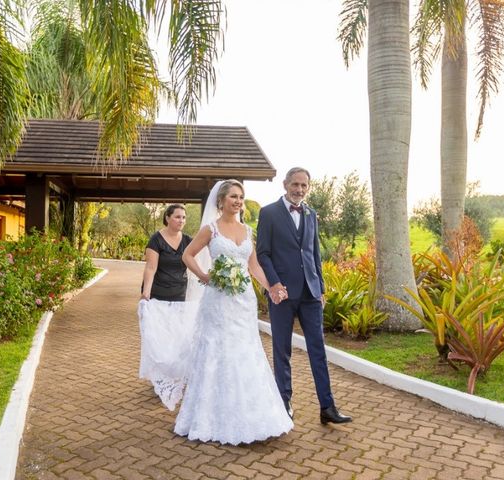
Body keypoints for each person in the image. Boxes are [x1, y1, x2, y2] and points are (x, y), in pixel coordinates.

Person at [175, 179, 293, 445]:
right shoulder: (211, 229)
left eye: (241, 197)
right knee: (217, 351)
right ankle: (211, 416)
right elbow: (188, 255)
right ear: (221, 201)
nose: (238, 201)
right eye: (233, 197)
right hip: (217, 302)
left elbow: (254, 267)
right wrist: (205, 276)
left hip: (243, 302)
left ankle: (252, 413)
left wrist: (271, 287)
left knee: (245, 350)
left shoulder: (247, 231)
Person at [256, 167, 352, 425]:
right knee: (282, 350)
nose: (299, 190)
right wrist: (274, 284)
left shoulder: (311, 213)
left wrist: (320, 287)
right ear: (285, 184)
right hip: (282, 294)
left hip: (310, 293)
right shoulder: (269, 213)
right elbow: (262, 253)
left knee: (318, 349)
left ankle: (327, 407)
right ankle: (283, 401)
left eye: (304, 186)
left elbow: (314, 253)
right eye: (295, 184)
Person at [138, 204, 194, 410]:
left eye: (184, 217)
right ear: (168, 218)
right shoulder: (156, 239)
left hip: (180, 295)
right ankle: (160, 376)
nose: (181, 220)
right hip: (158, 296)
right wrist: (146, 294)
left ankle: (175, 376)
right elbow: (151, 268)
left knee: (178, 337)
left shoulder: (188, 241)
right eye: (178, 217)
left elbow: (197, 264)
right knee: (160, 339)